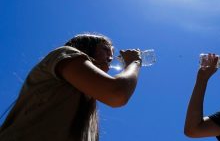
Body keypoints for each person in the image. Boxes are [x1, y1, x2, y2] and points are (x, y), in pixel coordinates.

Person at [0, 33, 143, 141]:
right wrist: (134, 62)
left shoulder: (88, 102)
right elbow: (117, 93)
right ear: (87, 47)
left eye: (112, 54)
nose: (110, 57)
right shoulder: (65, 54)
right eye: (106, 50)